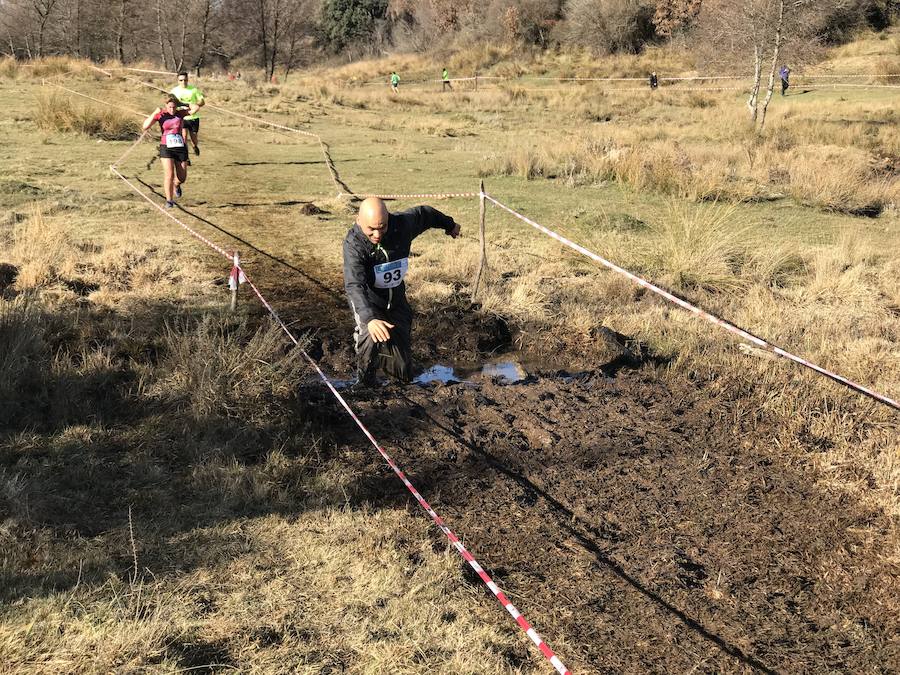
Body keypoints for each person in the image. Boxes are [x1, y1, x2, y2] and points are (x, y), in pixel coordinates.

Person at [343, 197, 461, 386]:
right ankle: (365, 383)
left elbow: (426, 214)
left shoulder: (402, 225)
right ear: (359, 221)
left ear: (388, 218)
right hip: (369, 301)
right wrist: (370, 318)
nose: (377, 234)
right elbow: (354, 285)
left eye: (382, 227)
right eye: (371, 229)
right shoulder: (354, 244)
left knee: (402, 373)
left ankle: (396, 378)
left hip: (396, 300)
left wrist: (450, 225)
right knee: (369, 333)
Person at [142, 94, 197, 208]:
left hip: (180, 148)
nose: (172, 110)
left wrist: (183, 104)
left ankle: (176, 185)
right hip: (166, 147)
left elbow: (196, 108)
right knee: (169, 175)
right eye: (169, 107)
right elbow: (145, 126)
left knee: (182, 178)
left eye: (174, 107)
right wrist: (154, 113)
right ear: (166, 106)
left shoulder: (180, 113)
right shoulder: (161, 115)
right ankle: (169, 201)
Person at [170, 71, 205, 156]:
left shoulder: (193, 90)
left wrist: (195, 105)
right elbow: (170, 102)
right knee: (183, 137)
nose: (183, 82)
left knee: (194, 138)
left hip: (193, 117)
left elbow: (202, 101)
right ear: (178, 81)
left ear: (188, 80)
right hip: (181, 117)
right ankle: (186, 156)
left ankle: (195, 146)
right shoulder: (174, 91)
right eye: (181, 80)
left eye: (185, 80)